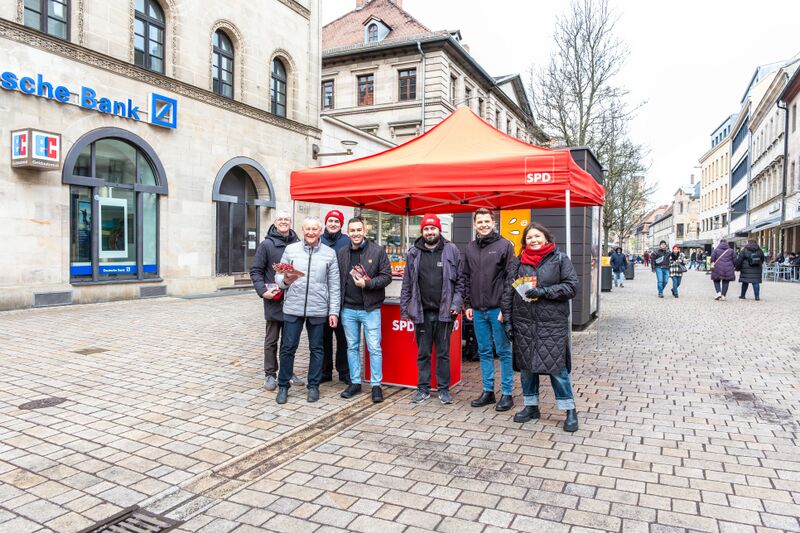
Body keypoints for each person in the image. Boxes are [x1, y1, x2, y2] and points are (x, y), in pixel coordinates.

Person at [502, 222, 580, 432]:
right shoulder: (518, 262)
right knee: (527, 368)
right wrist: (508, 321)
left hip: (552, 324)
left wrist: (544, 292)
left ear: (546, 238)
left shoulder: (560, 259)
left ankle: (569, 410)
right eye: (529, 238)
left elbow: (572, 287)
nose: (534, 240)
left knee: (557, 369)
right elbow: (508, 293)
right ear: (524, 241)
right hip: (524, 323)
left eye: (537, 236)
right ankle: (531, 406)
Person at [274, 216, 340, 404]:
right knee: (288, 348)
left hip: (318, 308)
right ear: (303, 231)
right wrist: (285, 281)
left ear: (320, 232)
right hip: (293, 307)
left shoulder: (329, 253)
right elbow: (278, 277)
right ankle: (283, 386)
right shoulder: (291, 250)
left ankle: (313, 385)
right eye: (307, 229)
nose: (311, 233)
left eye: (315, 229)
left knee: (317, 349)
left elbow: (334, 285)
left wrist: (333, 311)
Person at [400, 213, 464, 405]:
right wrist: (405, 311)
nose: (430, 232)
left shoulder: (451, 250)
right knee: (423, 353)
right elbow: (407, 284)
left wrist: (456, 304)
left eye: (433, 228)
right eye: (426, 229)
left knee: (444, 353)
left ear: (439, 230)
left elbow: (461, 282)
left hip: (445, 313)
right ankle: (423, 389)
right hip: (421, 313)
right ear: (422, 231)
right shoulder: (413, 253)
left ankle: (444, 390)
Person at [463, 208, 516, 412]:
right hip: (477, 309)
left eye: (487, 221)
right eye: (480, 222)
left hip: (497, 310)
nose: (483, 225)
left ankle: (508, 393)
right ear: (474, 224)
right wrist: (467, 304)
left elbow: (511, 279)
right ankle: (488, 391)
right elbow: (466, 277)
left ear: (493, 223)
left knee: (503, 351)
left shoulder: (504, 246)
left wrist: (505, 307)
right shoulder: (470, 247)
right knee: (484, 351)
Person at [337, 216, 392, 403]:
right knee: (352, 347)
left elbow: (386, 277)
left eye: (358, 230)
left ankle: (376, 385)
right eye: (352, 231)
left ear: (365, 231)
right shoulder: (342, 253)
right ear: (348, 233)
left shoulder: (378, 251)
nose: (356, 234)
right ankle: (355, 382)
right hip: (348, 309)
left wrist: (368, 284)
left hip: (370, 309)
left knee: (374, 348)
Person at [249, 211, 305, 391]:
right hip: (274, 298)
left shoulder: (298, 244)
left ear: (291, 222)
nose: (284, 222)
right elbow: (256, 271)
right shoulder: (266, 245)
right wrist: (262, 291)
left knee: (290, 340)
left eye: (287, 220)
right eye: (280, 219)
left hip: (294, 299)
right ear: (275, 223)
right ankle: (270, 374)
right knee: (272, 339)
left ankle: (287, 372)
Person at [320, 209, 351, 384]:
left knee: (343, 338)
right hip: (322, 297)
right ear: (326, 223)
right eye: (330, 220)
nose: (333, 224)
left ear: (341, 224)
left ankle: (344, 372)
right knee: (323, 337)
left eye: (336, 221)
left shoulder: (347, 241)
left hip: (343, 297)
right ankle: (325, 372)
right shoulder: (318, 240)